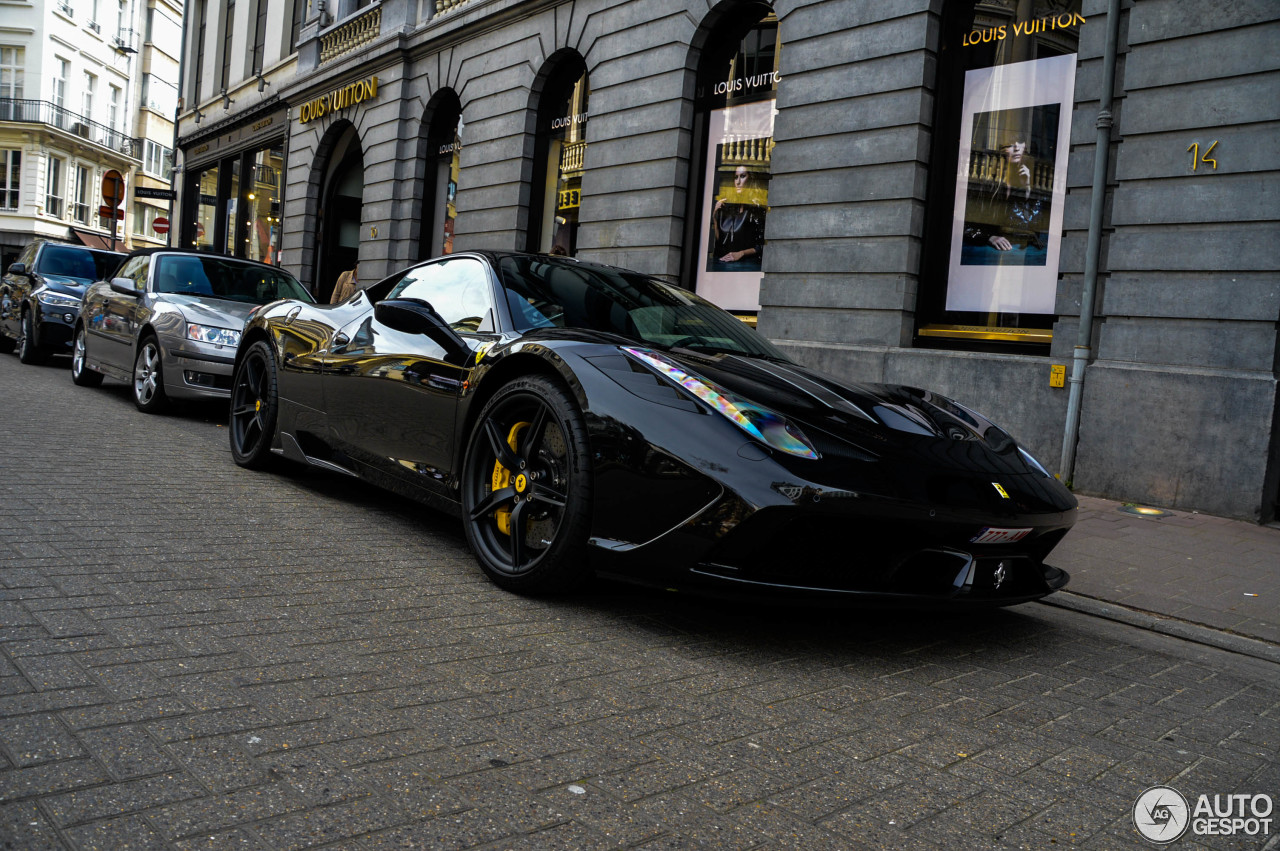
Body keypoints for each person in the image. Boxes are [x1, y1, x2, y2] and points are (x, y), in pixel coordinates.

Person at [961, 136, 1050, 266]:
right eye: (1010, 146)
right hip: (994, 254)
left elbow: (1035, 224)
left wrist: (1027, 189)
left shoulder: (1029, 187)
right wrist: (989, 237)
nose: (1016, 150)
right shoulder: (989, 186)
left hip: (1025, 254)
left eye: (1022, 149)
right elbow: (965, 225)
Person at [709, 166, 766, 272]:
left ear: (750, 179)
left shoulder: (756, 208)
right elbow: (719, 241)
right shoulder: (728, 208)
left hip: (746, 265)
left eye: (743, 176)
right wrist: (714, 216)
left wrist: (741, 253)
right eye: (736, 177)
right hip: (722, 263)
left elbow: (761, 245)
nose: (738, 182)